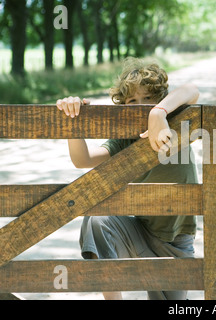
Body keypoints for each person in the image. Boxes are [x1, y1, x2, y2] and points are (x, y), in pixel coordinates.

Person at [56, 58, 200, 300]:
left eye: (148, 99)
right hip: (139, 235)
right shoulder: (126, 139)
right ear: (123, 105)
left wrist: (159, 112)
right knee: (97, 219)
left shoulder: (173, 122)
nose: (140, 106)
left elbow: (192, 90)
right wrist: (73, 119)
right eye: (132, 101)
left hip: (176, 244)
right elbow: (83, 159)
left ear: (161, 98)